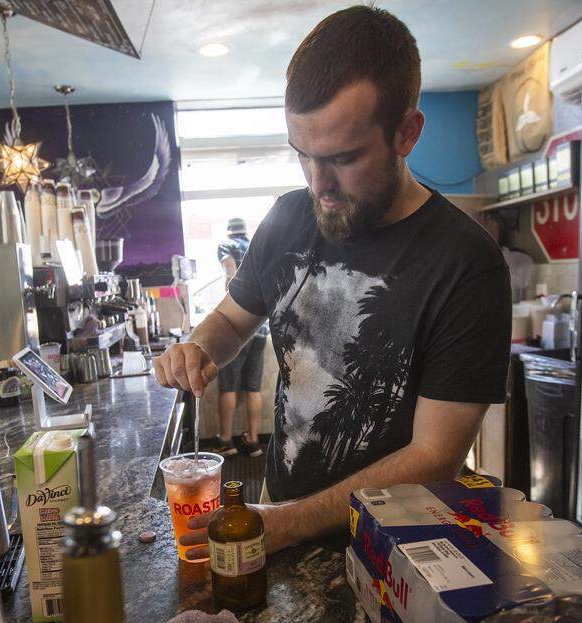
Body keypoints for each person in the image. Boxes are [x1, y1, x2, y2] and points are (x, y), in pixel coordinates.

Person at [153, 5, 510, 559]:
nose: (319, 184)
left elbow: (434, 456)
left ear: (407, 133)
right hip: (278, 516)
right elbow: (231, 320)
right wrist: (199, 346)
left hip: (398, 551)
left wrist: (289, 521)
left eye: (343, 158)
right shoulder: (286, 217)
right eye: (303, 155)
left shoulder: (466, 263)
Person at [210, 217, 266, 458]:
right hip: (261, 327)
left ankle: (225, 440)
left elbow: (231, 276)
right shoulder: (255, 245)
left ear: (229, 232)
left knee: (228, 387)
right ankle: (253, 441)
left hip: (237, 329)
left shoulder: (226, 246)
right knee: (253, 388)